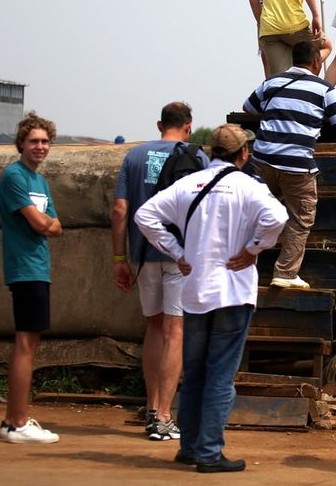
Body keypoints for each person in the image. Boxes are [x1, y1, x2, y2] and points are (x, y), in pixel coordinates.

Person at [134, 124, 287, 473]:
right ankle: (209, 452)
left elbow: (144, 216)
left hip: (196, 292)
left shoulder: (188, 185)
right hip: (233, 292)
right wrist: (253, 250)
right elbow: (277, 217)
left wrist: (177, 251)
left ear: (211, 151)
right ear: (243, 154)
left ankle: (190, 447)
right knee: (220, 375)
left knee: (197, 373)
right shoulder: (249, 187)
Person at [111, 101, 209, 441]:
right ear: (188, 125)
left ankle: (152, 408)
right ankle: (165, 417)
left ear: (158, 125)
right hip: (182, 257)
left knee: (153, 328)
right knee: (175, 331)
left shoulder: (134, 157)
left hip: (142, 253)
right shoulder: (197, 156)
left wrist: (119, 258)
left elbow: (119, 209)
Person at [243, 40, 336, 289]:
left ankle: (242, 267)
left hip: (263, 160)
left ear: (294, 60)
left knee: (255, 213)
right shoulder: (324, 89)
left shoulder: (272, 82)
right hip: (297, 166)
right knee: (300, 218)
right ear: (317, 62)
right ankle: (284, 273)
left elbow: (248, 107)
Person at [0, 111, 63, 444]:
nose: (40, 146)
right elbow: (41, 225)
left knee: (30, 343)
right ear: (21, 143)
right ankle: (18, 422)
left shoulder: (39, 180)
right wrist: (44, 222)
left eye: (45, 141)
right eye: (34, 141)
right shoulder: (15, 176)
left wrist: (45, 222)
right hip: (24, 267)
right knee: (25, 344)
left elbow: (57, 224)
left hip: (39, 266)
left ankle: (12, 419)